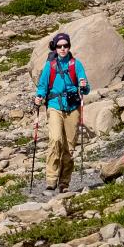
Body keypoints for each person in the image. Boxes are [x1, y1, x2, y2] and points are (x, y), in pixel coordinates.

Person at [33, 31, 88, 193]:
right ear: (55, 48)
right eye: (59, 46)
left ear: (69, 46)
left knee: (69, 148)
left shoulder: (75, 65)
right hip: (54, 105)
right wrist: (39, 97)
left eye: (66, 46)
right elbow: (42, 86)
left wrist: (83, 86)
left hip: (72, 107)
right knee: (55, 139)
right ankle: (51, 179)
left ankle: (64, 183)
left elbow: (85, 88)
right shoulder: (49, 66)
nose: (63, 49)